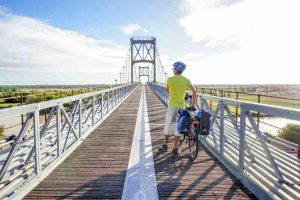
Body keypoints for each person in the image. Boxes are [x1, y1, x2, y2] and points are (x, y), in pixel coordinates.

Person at [160, 61, 197, 155]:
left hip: (171, 106)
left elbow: (168, 90)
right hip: (181, 107)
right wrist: (192, 104)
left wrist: (173, 95)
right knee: (178, 127)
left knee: (167, 125)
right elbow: (194, 92)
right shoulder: (186, 80)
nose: (173, 70)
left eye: (173, 68)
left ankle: (165, 145)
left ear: (176, 70)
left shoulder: (170, 79)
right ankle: (175, 149)